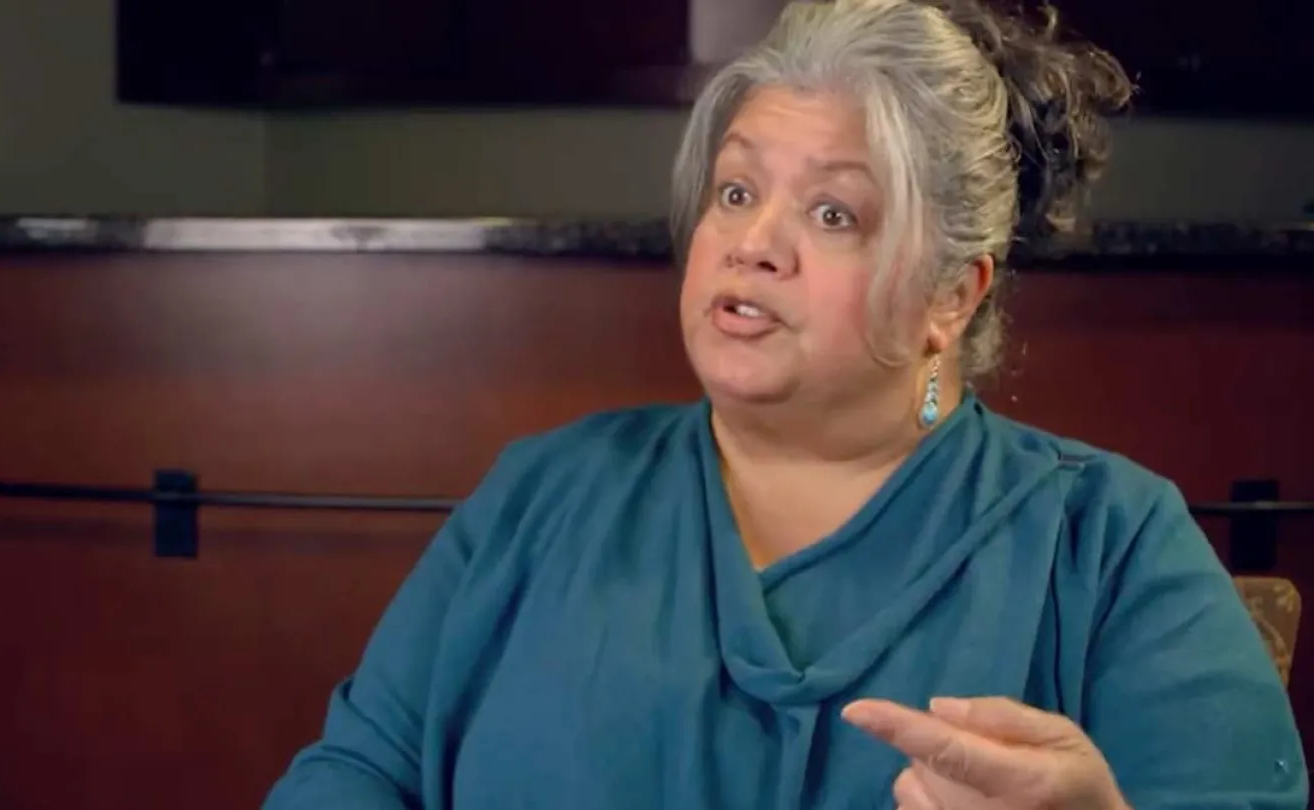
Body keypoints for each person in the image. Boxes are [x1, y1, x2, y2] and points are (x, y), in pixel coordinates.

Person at [263, 0, 1307, 807]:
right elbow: (355, 771)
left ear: (952, 294)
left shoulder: (1112, 546)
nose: (754, 240)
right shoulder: (544, 494)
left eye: (834, 211)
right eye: (735, 190)